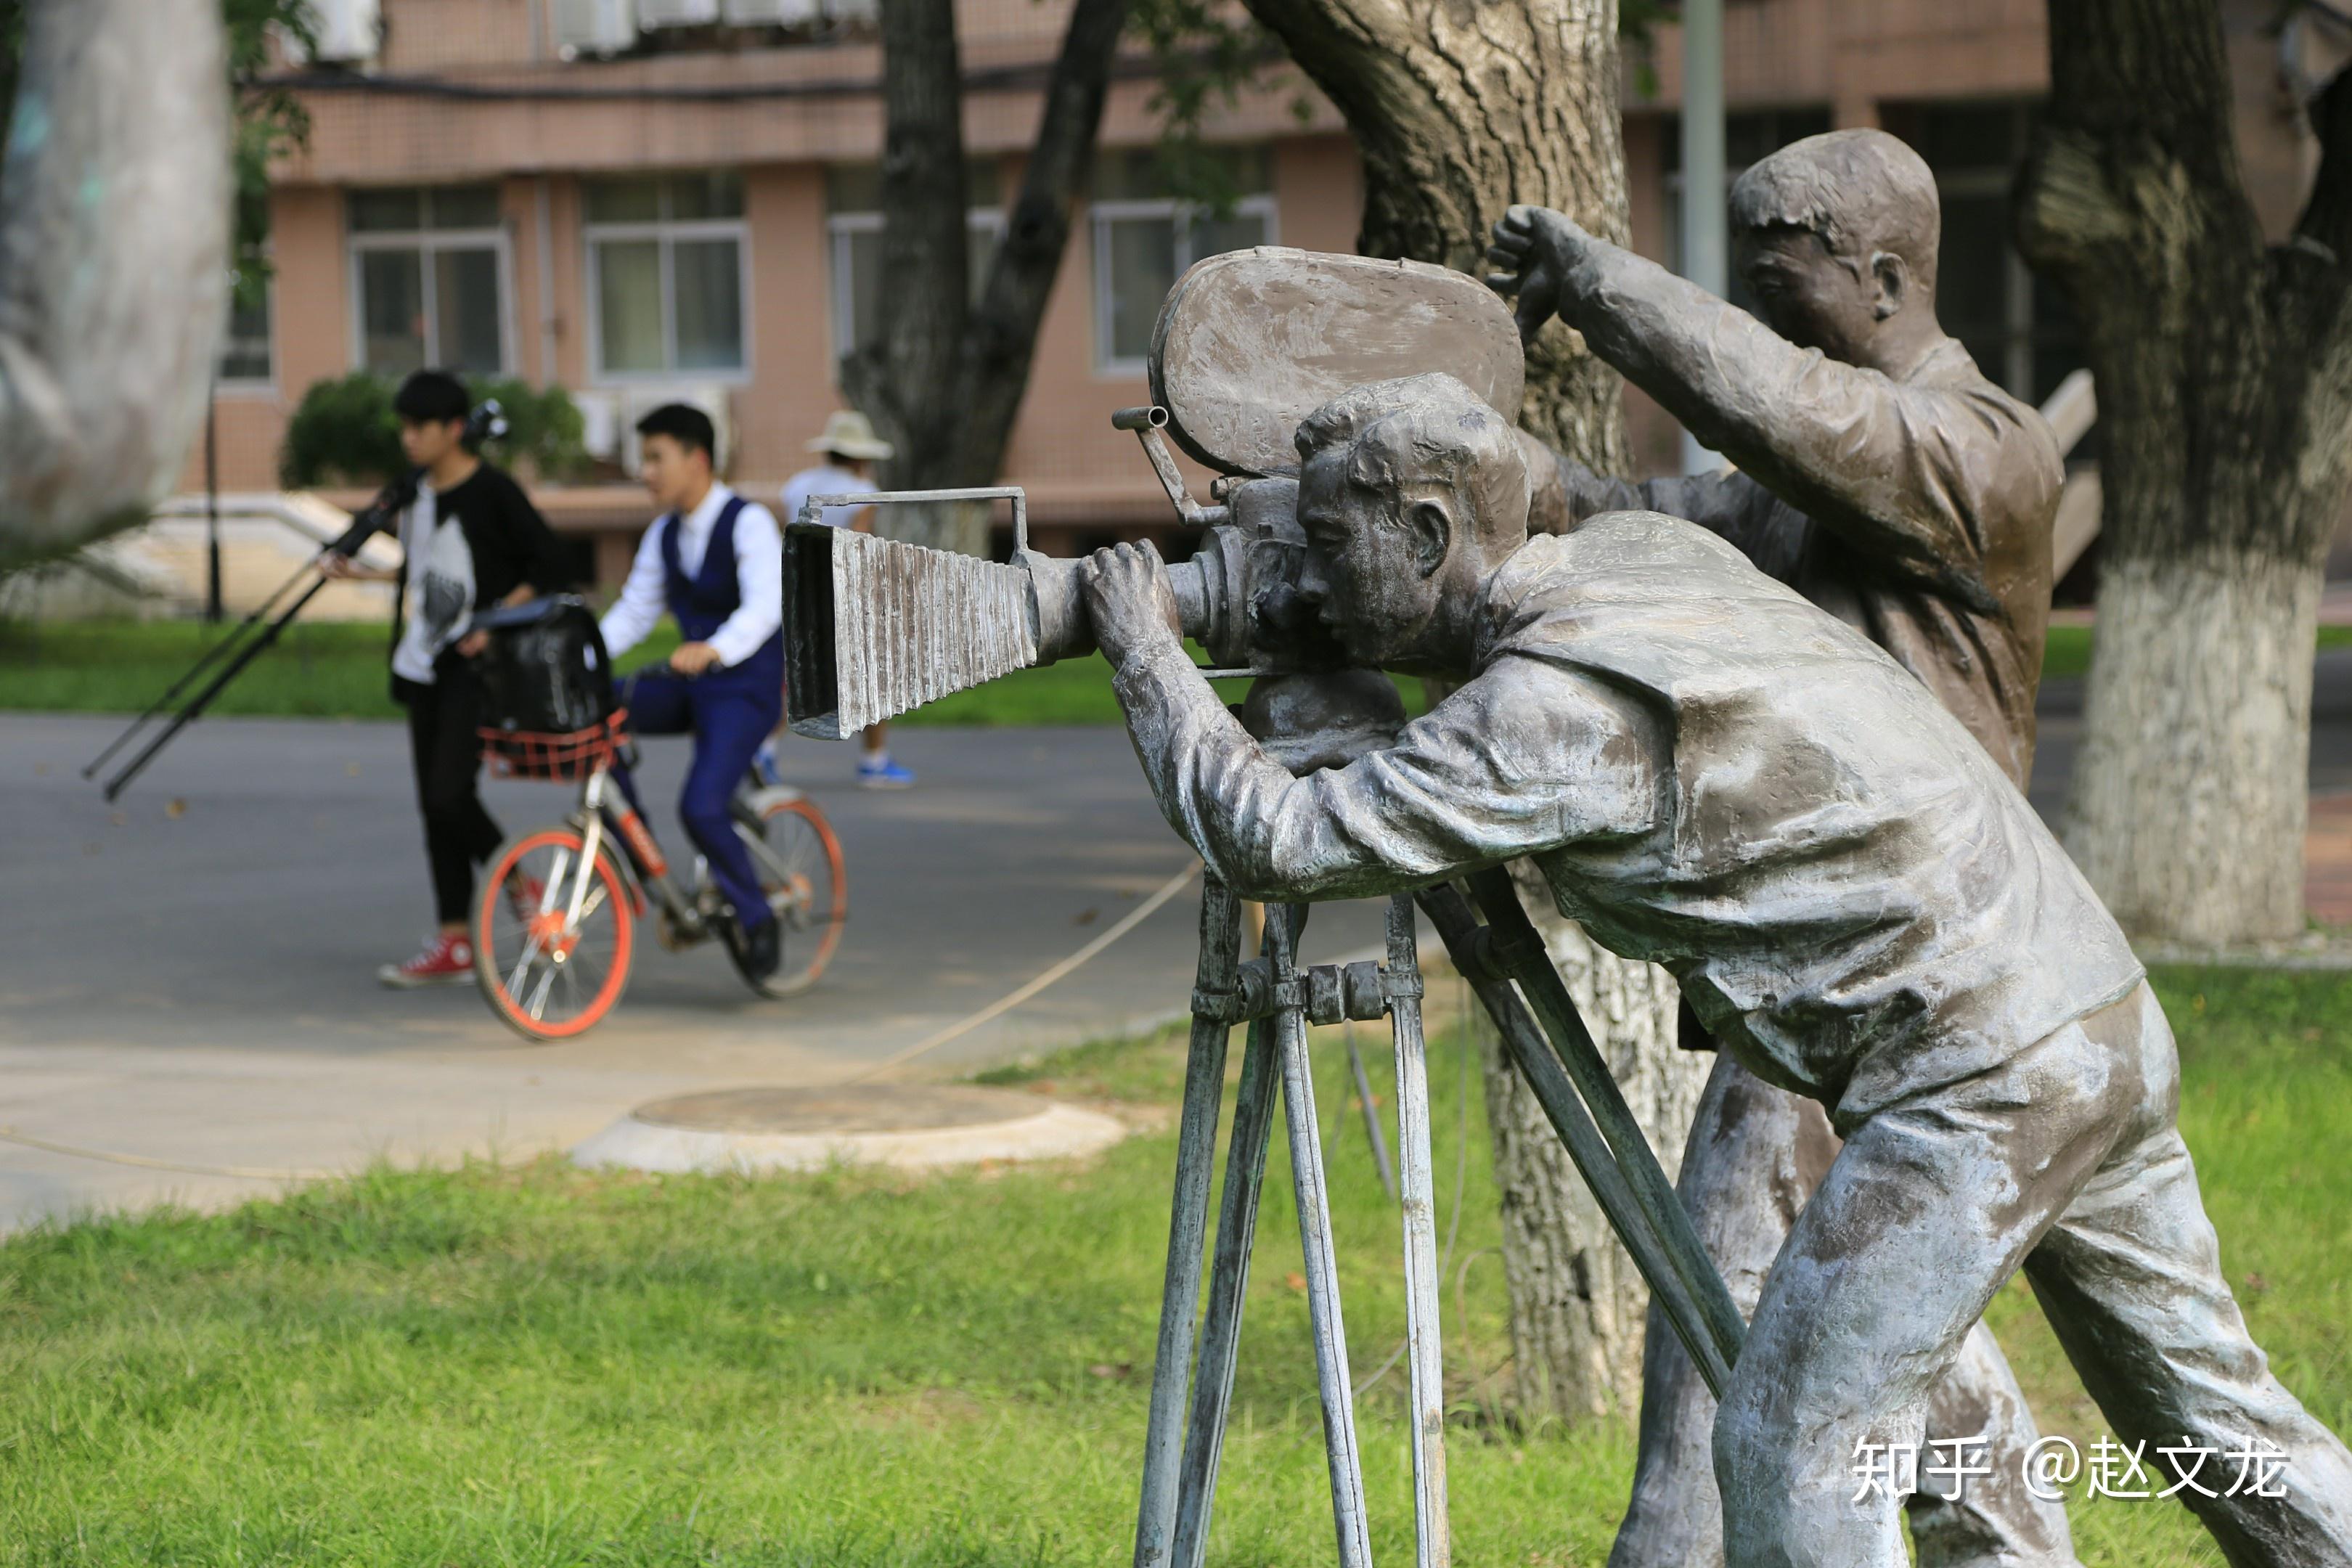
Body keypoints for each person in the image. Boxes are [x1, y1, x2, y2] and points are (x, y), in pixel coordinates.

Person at [1079, 372, 2352, 1568]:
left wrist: (1147, 651)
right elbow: (1480, 663)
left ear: (1422, 536)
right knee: (2218, 1425)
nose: (1312, 579)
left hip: (1977, 1077)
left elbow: (1282, 839)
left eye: (1331, 546)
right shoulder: (1644, 567)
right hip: (2088, 1010)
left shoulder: (1551, 713)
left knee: (1794, 1448)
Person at [1485, 130, 2073, 1566]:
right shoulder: (1826, 480)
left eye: (1780, 273)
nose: (1751, 303)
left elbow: (1782, 417)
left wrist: (1601, 282)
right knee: (1883, 1345)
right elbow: (1670, 516)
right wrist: (1479, 478)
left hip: (1903, 978)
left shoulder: (1974, 449)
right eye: (1738, 276)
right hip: (1834, 994)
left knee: (1729, 1320)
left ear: (1882, 277)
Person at [324, 369, 570, 987]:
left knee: (448, 794)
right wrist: (366, 577)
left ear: (454, 429)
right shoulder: (415, 493)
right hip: (421, 664)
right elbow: (430, 573)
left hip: (475, 669)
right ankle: (455, 941)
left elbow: (550, 567)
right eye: (403, 428)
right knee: (434, 809)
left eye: (420, 428)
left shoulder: (494, 493)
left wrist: (495, 620)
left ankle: (521, 885)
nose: (408, 439)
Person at [597, 403, 787, 983]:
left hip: (745, 688)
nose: (646, 472)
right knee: (596, 706)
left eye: (656, 458)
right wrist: (576, 661)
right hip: (692, 684)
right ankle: (643, 849)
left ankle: (757, 917)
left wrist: (716, 648)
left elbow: (765, 605)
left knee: (701, 807)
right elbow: (631, 613)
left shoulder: (748, 522)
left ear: (697, 459)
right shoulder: (664, 533)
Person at [764, 408, 914, 790]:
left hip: (798, 592)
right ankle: (874, 761)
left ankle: (762, 749)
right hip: (842, 595)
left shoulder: (796, 485)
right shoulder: (862, 493)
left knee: (794, 678)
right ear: (861, 455)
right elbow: (859, 547)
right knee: (873, 676)